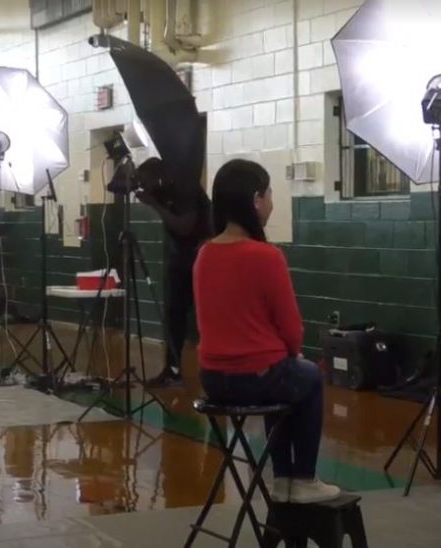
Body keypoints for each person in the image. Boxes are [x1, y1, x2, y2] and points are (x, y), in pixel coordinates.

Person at [194, 159, 340, 504]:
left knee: (287, 377)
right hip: (254, 377)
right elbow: (292, 328)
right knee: (307, 377)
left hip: (213, 379)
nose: (272, 203)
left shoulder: (204, 254)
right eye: (270, 194)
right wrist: (292, 352)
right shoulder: (265, 256)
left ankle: (283, 480)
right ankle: (300, 477)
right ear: (256, 200)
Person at [134, 158, 212, 387]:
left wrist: (154, 204)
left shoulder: (185, 189)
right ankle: (173, 369)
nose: (144, 187)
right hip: (179, 260)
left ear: (157, 177)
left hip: (200, 258)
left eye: (145, 182)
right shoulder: (161, 190)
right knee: (174, 316)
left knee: (203, 316)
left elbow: (184, 226)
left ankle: (216, 369)